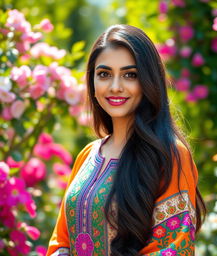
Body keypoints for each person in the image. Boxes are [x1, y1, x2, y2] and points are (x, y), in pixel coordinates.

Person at [46, 24, 206, 256]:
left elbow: (172, 249)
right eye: (104, 74)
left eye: (130, 75)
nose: (115, 87)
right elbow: (60, 239)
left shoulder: (170, 156)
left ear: (149, 81)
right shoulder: (88, 155)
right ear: (92, 82)